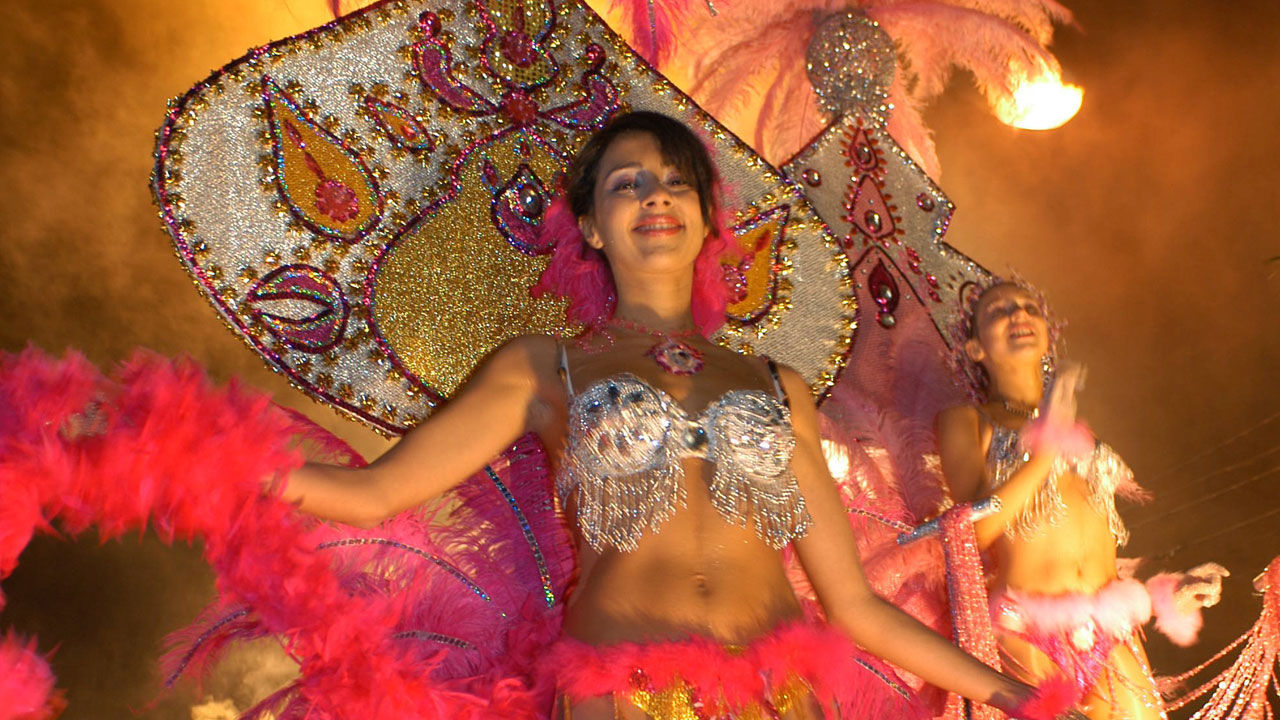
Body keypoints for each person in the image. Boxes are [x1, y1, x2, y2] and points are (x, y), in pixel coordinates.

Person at [279, 111, 1065, 720]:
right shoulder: (545, 367)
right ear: (589, 227)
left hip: (779, 696)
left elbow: (851, 604)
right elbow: (376, 495)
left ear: (706, 219)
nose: (654, 196)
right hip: (624, 691)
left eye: (675, 183)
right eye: (625, 184)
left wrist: (1011, 696)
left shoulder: (776, 383)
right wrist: (208, 460)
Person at [935, 280, 1227, 720]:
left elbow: (1093, 557)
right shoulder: (966, 421)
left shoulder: (1085, 437)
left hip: (1114, 642)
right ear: (976, 349)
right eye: (999, 311)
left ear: (1048, 333)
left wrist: (1168, 593)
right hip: (1027, 640)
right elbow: (969, 534)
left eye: (1030, 307)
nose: (1019, 315)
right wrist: (1045, 447)